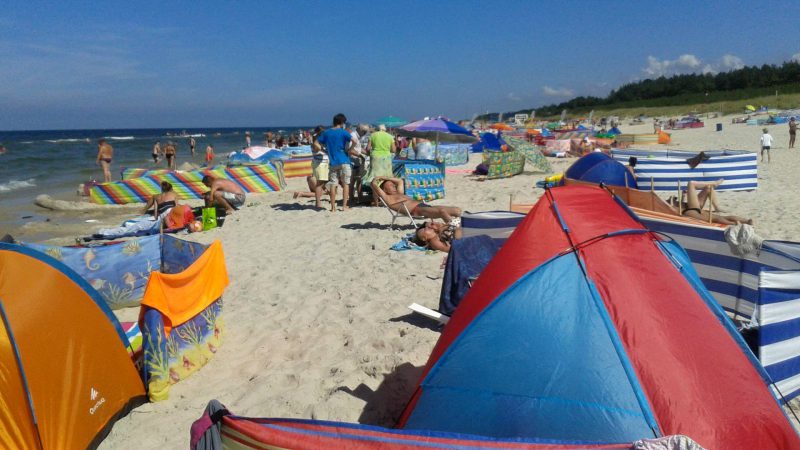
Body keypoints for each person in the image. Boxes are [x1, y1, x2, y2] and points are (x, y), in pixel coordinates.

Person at [315, 113, 358, 212]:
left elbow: (316, 142)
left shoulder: (326, 133)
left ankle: (333, 207)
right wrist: (350, 149)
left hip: (333, 162)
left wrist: (322, 149)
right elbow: (354, 141)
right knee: (346, 183)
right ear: (342, 122)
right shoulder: (343, 132)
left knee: (333, 184)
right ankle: (344, 206)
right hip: (344, 160)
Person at [371, 176, 461, 223]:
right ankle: (455, 230)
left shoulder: (399, 193)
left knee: (457, 210)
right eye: (390, 186)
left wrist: (385, 178)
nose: (394, 186)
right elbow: (373, 184)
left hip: (424, 206)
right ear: (384, 189)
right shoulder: (387, 198)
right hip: (417, 211)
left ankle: (460, 226)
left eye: (393, 185)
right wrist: (376, 179)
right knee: (442, 211)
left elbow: (400, 181)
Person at [669, 180, 752, 225]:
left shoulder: (672, 205)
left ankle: (746, 221)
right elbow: (679, 209)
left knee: (719, 217)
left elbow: (682, 206)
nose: (670, 199)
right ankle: (735, 223)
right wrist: (673, 201)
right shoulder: (669, 206)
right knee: (691, 183)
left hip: (692, 209)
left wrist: (683, 196)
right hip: (691, 210)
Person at [309, 126, 329, 209]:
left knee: (321, 184)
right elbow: (317, 149)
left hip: (320, 163)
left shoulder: (317, 141)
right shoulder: (315, 142)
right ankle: (318, 203)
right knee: (319, 184)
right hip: (320, 164)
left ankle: (318, 202)